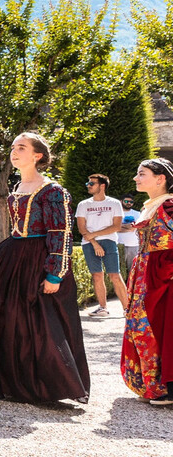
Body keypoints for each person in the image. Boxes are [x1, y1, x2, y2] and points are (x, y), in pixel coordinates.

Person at [0, 132, 89, 404]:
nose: (14, 152)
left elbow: (60, 233)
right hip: (12, 254)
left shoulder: (52, 191)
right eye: (13, 147)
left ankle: (42, 385)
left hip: (38, 258)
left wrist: (54, 273)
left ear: (37, 156)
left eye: (22, 148)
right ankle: (5, 380)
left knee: (37, 324)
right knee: (0, 315)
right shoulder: (17, 187)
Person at [121, 158, 173, 405]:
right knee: (141, 325)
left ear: (160, 178)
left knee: (158, 327)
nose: (136, 178)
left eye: (142, 174)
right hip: (144, 272)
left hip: (161, 276)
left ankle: (166, 387)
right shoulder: (152, 205)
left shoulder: (170, 206)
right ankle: (152, 385)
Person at [75, 173, 129, 317]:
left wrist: (94, 234)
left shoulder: (114, 203)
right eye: (88, 183)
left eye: (91, 183)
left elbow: (116, 226)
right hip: (89, 243)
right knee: (97, 275)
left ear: (102, 186)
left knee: (115, 275)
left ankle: (127, 309)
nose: (88, 186)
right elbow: (81, 228)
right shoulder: (83, 204)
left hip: (109, 241)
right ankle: (102, 308)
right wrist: (94, 243)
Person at [117, 192, 142, 276]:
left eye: (131, 202)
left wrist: (120, 227)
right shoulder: (115, 214)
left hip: (133, 245)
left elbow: (134, 228)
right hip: (118, 244)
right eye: (126, 201)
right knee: (119, 271)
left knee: (132, 270)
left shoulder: (137, 214)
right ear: (121, 201)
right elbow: (113, 228)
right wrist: (127, 227)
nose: (129, 203)